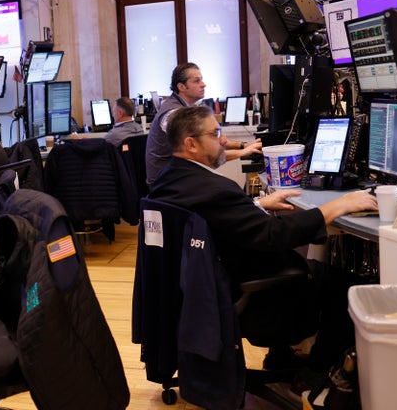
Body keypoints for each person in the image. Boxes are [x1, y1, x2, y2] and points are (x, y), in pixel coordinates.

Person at [148, 105, 378, 387]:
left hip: (204, 285)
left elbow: (212, 220)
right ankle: (317, 375)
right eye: (215, 134)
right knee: (348, 287)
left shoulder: (171, 178)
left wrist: (255, 205)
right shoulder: (213, 189)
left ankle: (281, 358)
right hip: (248, 291)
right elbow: (273, 235)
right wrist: (336, 206)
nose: (223, 141)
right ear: (191, 144)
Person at [145, 62, 262, 185]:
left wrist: (244, 146)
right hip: (167, 183)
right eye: (196, 81)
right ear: (181, 87)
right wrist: (243, 152)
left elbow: (210, 140)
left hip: (179, 176)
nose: (203, 84)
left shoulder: (185, 108)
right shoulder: (172, 114)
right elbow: (205, 150)